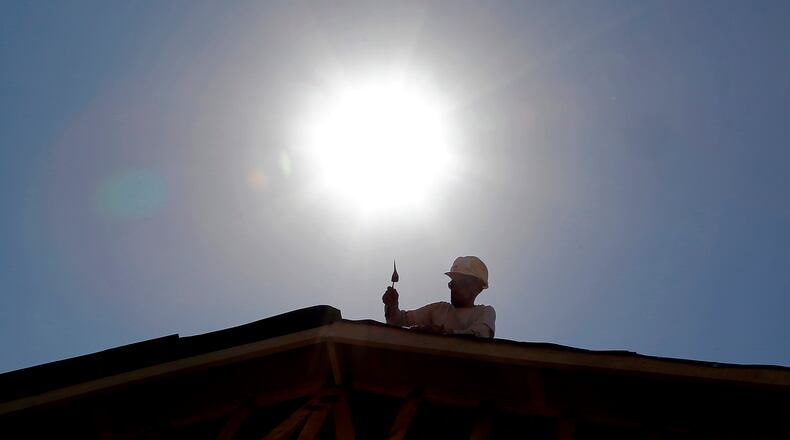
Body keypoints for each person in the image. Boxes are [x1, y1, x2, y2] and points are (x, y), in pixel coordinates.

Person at [382, 256, 496, 338]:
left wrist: (442, 333)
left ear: (478, 289)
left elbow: (481, 335)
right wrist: (391, 306)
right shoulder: (438, 309)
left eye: (462, 283)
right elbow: (400, 321)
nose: (455, 288)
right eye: (453, 283)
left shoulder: (484, 312)